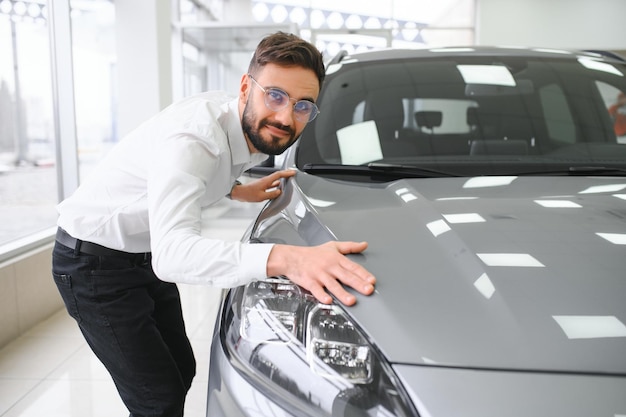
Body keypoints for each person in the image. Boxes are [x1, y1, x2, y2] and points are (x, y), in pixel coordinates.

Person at [51, 31, 376, 417]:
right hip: (93, 263)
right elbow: (173, 254)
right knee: (157, 396)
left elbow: (197, 176)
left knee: (181, 370)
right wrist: (289, 259)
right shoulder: (195, 139)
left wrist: (238, 191)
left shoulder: (231, 121)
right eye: (275, 95)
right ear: (245, 87)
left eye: (304, 105)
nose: (287, 117)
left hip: (138, 251)